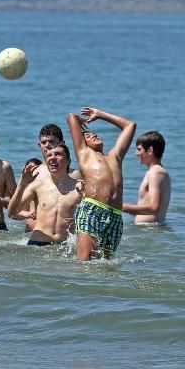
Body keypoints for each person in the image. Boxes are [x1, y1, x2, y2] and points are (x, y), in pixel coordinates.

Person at [67, 106, 136, 260]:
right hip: (92, 209)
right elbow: (71, 117)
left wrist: (100, 115)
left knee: (106, 265)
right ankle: (75, 283)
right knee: (84, 261)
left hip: (115, 215)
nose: (94, 135)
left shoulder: (115, 156)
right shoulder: (84, 154)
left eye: (95, 133)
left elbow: (130, 125)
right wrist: (79, 120)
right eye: (88, 135)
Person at [8, 144, 82, 245]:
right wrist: (22, 184)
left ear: (68, 161)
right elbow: (11, 213)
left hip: (64, 248)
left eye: (58, 154)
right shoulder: (37, 185)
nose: (52, 158)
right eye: (49, 156)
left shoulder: (79, 187)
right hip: (37, 244)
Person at [122, 130, 172, 224]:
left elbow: (154, 208)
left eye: (139, 149)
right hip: (150, 229)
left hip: (149, 230)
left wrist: (123, 207)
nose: (136, 153)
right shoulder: (159, 172)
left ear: (150, 151)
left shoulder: (156, 173)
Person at [8, 158, 42, 232]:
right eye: (30, 169)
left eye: (36, 170)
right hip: (28, 234)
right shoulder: (24, 190)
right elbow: (13, 214)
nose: (33, 172)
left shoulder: (45, 189)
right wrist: (26, 214)